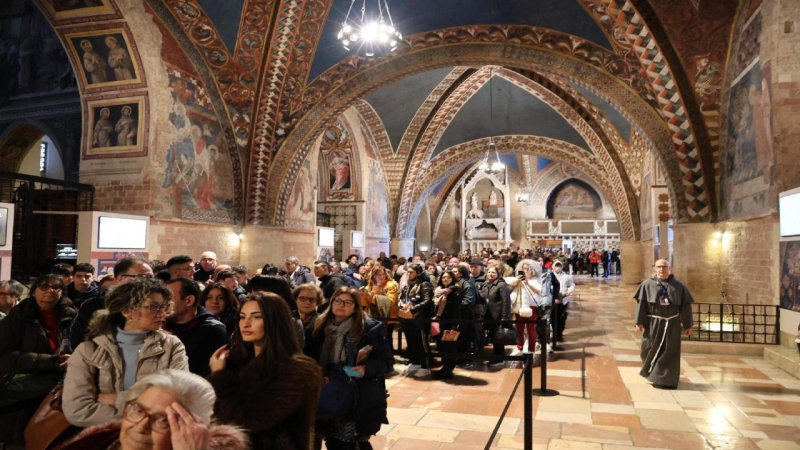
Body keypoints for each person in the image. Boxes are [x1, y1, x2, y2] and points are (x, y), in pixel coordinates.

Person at [63, 277, 189, 427]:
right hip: (106, 436)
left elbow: (178, 399)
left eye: (164, 307)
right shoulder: (89, 350)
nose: (162, 314)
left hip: (154, 438)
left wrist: (117, 398)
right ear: (127, 311)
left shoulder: (171, 346)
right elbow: (78, 410)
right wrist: (143, 419)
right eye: (154, 307)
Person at [208, 292, 322, 449]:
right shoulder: (236, 361)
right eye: (242, 317)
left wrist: (220, 376)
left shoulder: (299, 369)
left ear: (275, 321)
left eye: (256, 317)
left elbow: (253, 418)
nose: (245, 324)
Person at [58, 369, 249, 450]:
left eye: (163, 420)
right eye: (139, 410)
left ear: (192, 429)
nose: (140, 426)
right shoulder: (98, 441)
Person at [305, 287, 393, 449]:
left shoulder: (368, 330)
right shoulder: (318, 326)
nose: (341, 305)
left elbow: (387, 362)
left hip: (356, 392)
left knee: (352, 441)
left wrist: (366, 368)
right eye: (338, 301)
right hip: (327, 391)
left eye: (347, 302)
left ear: (355, 307)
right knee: (331, 439)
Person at [0, 274, 76, 446]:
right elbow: (5, 356)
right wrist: (52, 362)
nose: (50, 291)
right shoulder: (17, 318)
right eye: (44, 286)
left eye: (56, 287)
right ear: (34, 291)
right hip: (26, 382)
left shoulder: (73, 317)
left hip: (66, 380)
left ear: (62, 292)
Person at [634, 259, 694, 390]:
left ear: (669, 268)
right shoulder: (647, 284)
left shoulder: (679, 286)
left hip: (672, 323)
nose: (662, 269)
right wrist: (639, 321)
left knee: (669, 351)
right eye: (659, 267)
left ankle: (665, 379)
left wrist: (688, 325)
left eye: (664, 267)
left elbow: (685, 307)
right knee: (648, 348)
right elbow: (641, 304)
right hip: (653, 323)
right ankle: (651, 372)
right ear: (655, 268)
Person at [164, 278, 228, 377]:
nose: (163, 304)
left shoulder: (213, 330)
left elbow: (213, 373)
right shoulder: (161, 325)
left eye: (169, 298)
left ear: (189, 300)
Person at [397, 263, 433, 377]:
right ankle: (415, 361)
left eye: (411, 272)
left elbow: (427, 300)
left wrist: (412, 309)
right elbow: (402, 296)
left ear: (418, 273)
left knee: (421, 342)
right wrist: (401, 304)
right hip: (407, 318)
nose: (409, 274)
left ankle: (425, 365)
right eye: (408, 272)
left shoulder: (424, 284)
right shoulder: (408, 284)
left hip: (420, 318)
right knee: (411, 341)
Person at [430, 269, 463, 380]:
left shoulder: (455, 292)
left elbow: (457, 310)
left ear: (452, 279)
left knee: (450, 347)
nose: (445, 279)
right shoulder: (438, 291)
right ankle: (445, 367)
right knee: (442, 346)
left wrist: (454, 325)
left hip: (450, 323)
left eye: (448, 277)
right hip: (440, 322)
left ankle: (449, 370)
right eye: (443, 277)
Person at [506, 260, 541, 358]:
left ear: (532, 269)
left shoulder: (536, 280)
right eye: (524, 268)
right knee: (519, 328)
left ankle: (531, 349)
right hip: (520, 306)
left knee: (531, 329)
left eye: (528, 268)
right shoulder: (518, 279)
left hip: (532, 306)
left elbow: (538, 291)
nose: (526, 270)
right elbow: (508, 284)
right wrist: (517, 280)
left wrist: (528, 283)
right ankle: (519, 347)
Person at [481, 265, 512, 367]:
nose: (490, 274)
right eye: (489, 272)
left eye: (493, 272)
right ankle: (497, 356)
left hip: (498, 315)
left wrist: (504, 315)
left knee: (498, 337)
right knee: (493, 336)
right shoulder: (485, 284)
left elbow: (506, 301)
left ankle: (499, 358)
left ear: (498, 274)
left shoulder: (501, 284)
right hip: (488, 315)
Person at [293, 283, 324, 350]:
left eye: (312, 299)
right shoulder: (287, 318)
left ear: (317, 302)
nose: (307, 302)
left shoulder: (322, 322)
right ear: (295, 299)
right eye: (302, 298)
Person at [552, 261, 575, 342]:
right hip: (552, 300)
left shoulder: (566, 277)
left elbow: (572, 285)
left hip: (563, 300)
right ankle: (554, 334)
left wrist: (569, 291)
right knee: (553, 318)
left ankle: (559, 334)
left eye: (560, 266)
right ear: (554, 267)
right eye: (556, 266)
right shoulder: (550, 276)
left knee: (561, 318)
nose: (558, 268)